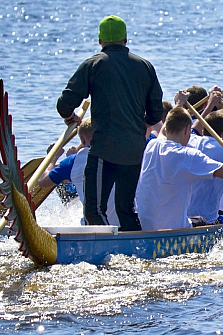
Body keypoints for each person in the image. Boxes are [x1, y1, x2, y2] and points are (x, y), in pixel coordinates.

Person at [56, 15, 163, 231]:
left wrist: (70, 117)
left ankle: (111, 248)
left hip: (104, 150)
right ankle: (134, 250)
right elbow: (155, 113)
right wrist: (142, 126)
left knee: (94, 210)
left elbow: (65, 103)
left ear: (100, 41)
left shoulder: (93, 64)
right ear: (125, 39)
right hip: (134, 151)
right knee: (125, 210)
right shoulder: (145, 66)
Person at [135, 106, 223, 231]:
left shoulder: (152, 145)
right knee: (206, 220)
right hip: (174, 229)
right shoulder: (188, 155)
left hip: (145, 225)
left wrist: (179, 104)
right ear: (187, 130)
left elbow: (164, 131)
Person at [37, 118, 119, 226]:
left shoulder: (73, 161)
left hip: (96, 227)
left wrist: (52, 157)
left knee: (71, 179)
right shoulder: (122, 152)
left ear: (82, 140)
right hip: (126, 223)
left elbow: (42, 181)